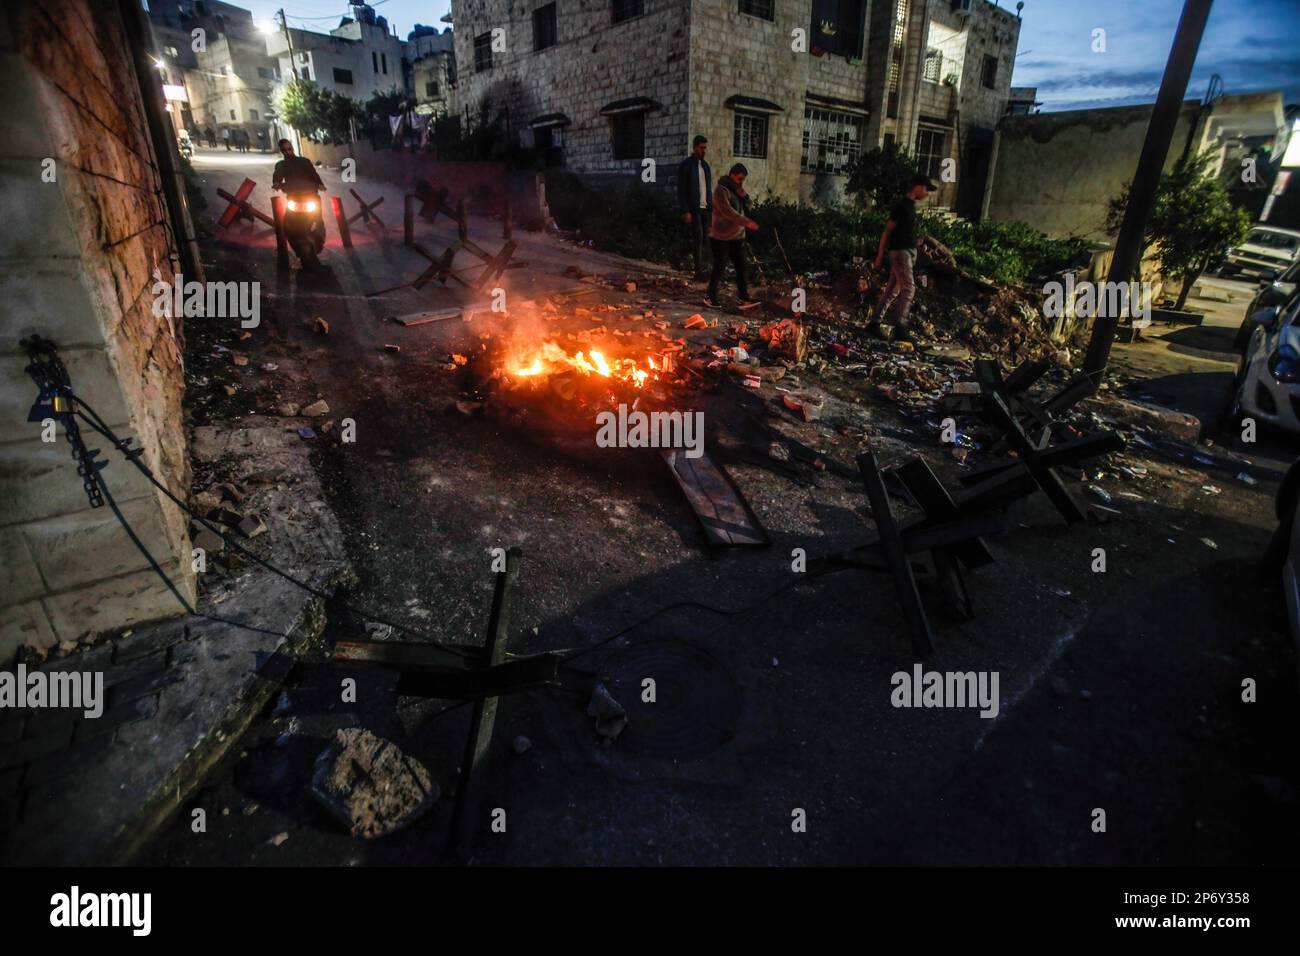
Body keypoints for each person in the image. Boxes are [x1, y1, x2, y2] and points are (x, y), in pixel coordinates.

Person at [870, 173, 936, 342]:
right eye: (926, 188)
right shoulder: (901, 206)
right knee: (909, 289)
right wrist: (879, 255)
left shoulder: (910, 206)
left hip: (906, 253)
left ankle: (874, 324)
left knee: (892, 290)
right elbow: (887, 230)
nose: (927, 193)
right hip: (900, 253)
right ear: (918, 187)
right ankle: (900, 327)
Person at [704, 163, 760, 310]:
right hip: (720, 236)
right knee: (720, 267)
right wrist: (746, 222)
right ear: (732, 174)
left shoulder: (737, 190)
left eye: (743, 179)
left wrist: (745, 196)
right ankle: (710, 296)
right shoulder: (720, 190)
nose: (741, 182)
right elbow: (727, 212)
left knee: (742, 266)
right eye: (739, 178)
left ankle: (743, 297)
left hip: (737, 236)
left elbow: (749, 206)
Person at [677, 135, 712, 280]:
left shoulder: (705, 166)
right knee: (698, 238)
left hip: (705, 208)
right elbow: (681, 189)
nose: (704, 151)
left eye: (705, 148)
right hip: (694, 209)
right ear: (694, 147)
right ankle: (698, 272)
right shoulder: (686, 165)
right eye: (701, 148)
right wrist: (685, 210)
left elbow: (708, 188)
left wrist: (711, 208)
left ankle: (677, 255)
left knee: (704, 240)